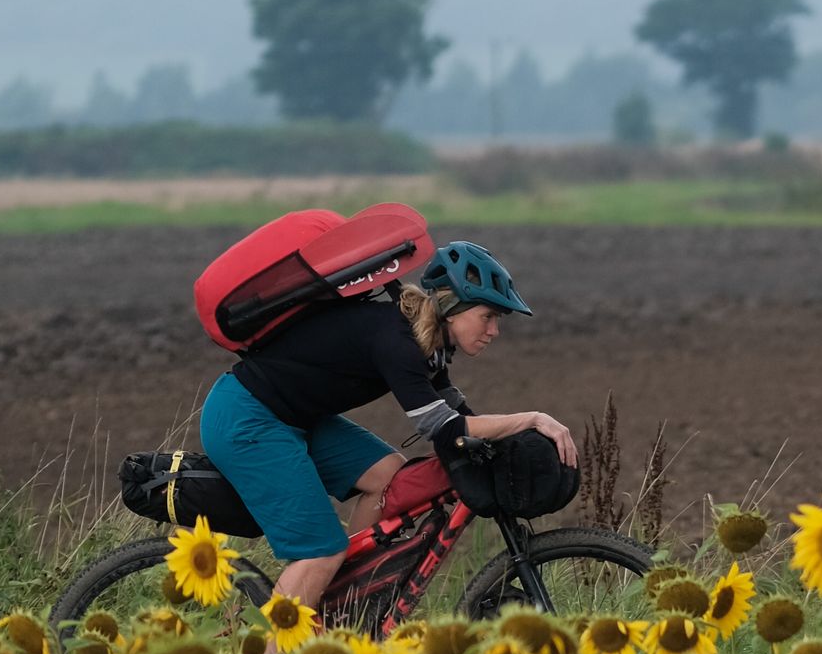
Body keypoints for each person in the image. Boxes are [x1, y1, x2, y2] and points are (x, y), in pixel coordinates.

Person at [198, 238, 577, 617]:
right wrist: (532, 419)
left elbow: (458, 414)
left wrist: (502, 441)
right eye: (488, 316)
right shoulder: (396, 340)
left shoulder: (428, 345)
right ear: (450, 308)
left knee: (386, 475)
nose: (494, 330)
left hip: (294, 417)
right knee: (320, 549)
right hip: (246, 416)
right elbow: (445, 429)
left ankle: (342, 600)